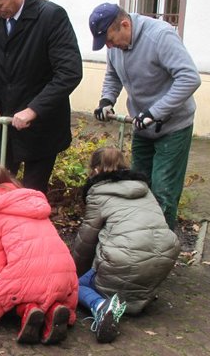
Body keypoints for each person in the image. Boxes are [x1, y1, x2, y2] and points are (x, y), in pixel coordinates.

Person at [89, 3, 201, 230]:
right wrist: (107, 100)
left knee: (163, 191)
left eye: (110, 40)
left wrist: (155, 112)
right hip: (142, 125)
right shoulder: (115, 46)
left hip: (173, 127)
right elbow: (113, 75)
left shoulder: (160, 36)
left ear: (125, 25)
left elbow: (190, 78)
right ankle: (139, 239)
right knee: (138, 185)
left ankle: (162, 244)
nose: (109, 46)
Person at [71, 147, 180, 343]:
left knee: (73, 286)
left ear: (95, 169)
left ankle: (101, 306)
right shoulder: (144, 188)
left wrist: (72, 272)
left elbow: (86, 241)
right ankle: (135, 298)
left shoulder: (98, 193)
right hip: (165, 256)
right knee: (132, 260)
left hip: (124, 260)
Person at [0, 0, 83, 193]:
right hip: (4, 125)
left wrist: (34, 109)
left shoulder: (51, 16)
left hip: (41, 127)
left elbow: (69, 72)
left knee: (32, 193)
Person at [0, 161, 78, 344]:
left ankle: (27, 310)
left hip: (26, 272)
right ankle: (54, 309)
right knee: (42, 290)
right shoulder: (30, 200)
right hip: (65, 273)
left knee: (5, 299)